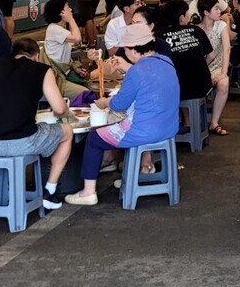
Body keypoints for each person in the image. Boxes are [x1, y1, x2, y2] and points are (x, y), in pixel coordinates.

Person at [65, 25, 180, 206]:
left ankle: (88, 192)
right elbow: (148, 77)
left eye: (126, 48)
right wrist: (126, 67)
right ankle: (133, 175)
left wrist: (104, 103)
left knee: (94, 138)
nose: (125, 51)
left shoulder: (136, 71)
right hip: (168, 127)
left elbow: (119, 104)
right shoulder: (165, 61)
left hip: (143, 131)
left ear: (134, 49)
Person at [0, 37, 72, 210]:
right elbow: (60, 108)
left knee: (0, 150)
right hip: (22, 142)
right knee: (67, 132)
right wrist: (64, 112)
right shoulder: (42, 70)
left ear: (13, 54)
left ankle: (7, 190)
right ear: (36, 56)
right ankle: (49, 191)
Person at [195, 0, 232, 136]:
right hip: (201, 68)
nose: (219, 11)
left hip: (217, 66)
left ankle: (214, 122)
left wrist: (223, 72)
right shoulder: (196, 29)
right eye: (216, 8)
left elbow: (226, 49)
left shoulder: (221, 25)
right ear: (206, 12)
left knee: (224, 84)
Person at [43, 0, 83, 64]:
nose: (70, 10)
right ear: (61, 13)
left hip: (62, 68)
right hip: (56, 70)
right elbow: (77, 38)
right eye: (67, 8)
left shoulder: (58, 27)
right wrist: (71, 19)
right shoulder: (53, 29)